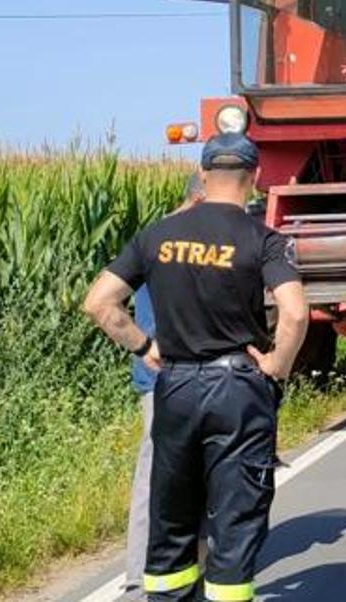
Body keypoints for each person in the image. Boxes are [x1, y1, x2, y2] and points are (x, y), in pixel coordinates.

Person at [81, 133, 306, 602]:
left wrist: (145, 345)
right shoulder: (264, 239)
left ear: (204, 175)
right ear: (255, 177)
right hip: (238, 388)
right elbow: (296, 311)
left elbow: (99, 303)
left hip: (175, 386)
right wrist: (276, 365)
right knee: (235, 514)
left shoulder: (157, 235)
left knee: (172, 513)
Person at [118, 175, 206, 602]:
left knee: (174, 480)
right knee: (158, 481)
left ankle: (175, 574)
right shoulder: (181, 241)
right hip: (172, 377)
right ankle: (141, 582)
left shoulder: (155, 237)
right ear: (200, 196)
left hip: (170, 376)